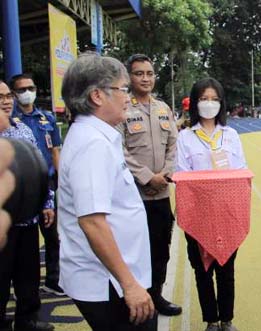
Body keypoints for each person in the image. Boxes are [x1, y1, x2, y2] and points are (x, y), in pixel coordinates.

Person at [57, 54, 155, 331]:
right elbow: (92, 222)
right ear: (98, 96)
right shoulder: (92, 145)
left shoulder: (99, 137)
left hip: (116, 277)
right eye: (123, 89)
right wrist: (130, 286)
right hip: (109, 283)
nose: (128, 97)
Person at [176, 77, 245, 331]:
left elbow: (241, 172)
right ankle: (211, 321)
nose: (209, 104)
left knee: (226, 269)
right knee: (202, 271)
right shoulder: (185, 137)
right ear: (195, 103)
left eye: (214, 99)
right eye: (204, 99)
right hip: (198, 215)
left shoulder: (231, 136)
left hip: (227, 214)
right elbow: (182, 176)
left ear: (221, 103)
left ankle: (226, 319)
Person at [117, 54, 181, 316]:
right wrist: (146, 177)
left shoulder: (163, 108)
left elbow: (174, 146)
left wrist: (164, 175)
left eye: (150, 73)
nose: (145, 78)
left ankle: (156, 296)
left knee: (160, 250)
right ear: (129, 77)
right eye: (139, 73)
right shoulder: (123, 109)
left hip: (162, 195)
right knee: (135, 251)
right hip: (134, 196)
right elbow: (119, 150)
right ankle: (135, 297)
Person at [0, 79, 55, 331]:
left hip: (27, 219)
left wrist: (46, 202)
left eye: (7, 95)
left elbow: (38, 170)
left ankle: (27, 319)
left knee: (28, 274)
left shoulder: (22, 129)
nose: (6, 100)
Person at [10, 73, 64, 296]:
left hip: (47, 183)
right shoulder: (10, 120)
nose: (27, 93)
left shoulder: (47, 118)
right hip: (21, 186)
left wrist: (59, 177)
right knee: (21, 239)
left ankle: (53, 279)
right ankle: (16, 284)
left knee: (52, 235)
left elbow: (54, 150)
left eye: (30, 88)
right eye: (21, 90)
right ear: (14, 94)